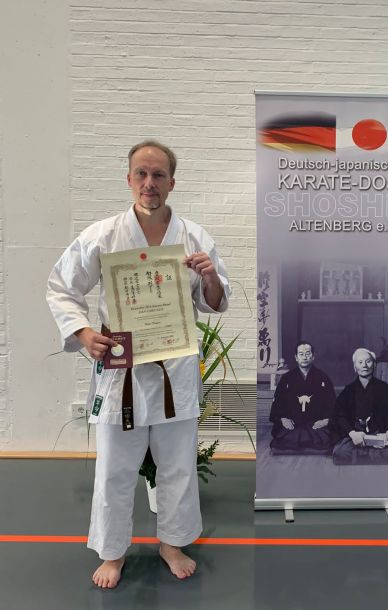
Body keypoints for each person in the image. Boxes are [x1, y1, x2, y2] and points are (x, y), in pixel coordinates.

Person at [47, 140, 230, 589]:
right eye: (142, 174)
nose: (150, 183)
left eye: (159, 175)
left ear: (172, 182)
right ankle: (112, 552)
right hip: (121, 369)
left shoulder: (194, 237)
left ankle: (173, 543)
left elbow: (214, 302)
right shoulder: (103, 235)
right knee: (114, 467)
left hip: (174, 369)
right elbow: (61, 287)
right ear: (129, 179)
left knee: (178, 465)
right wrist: (83, 333)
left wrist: (209, 276)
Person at [331, 347, 388, 465]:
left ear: (374, 365)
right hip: (357, 436)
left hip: (379, 434)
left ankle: (366, 455)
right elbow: (339, 416)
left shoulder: (385, 389)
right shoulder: (348, 390)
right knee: (341, 453)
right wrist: (352, 434)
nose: (364, 365)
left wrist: (387, 435)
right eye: (360, 362)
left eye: (368, 361)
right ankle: (370, 455)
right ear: (355, 367)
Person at [269, 342, 335, 454]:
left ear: (313, 356)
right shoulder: (287, 378)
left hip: (316, 423)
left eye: (308, 353)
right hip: (293, 423)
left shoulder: (323, 377)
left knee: (325, 437)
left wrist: (326, 420)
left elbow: (332, 403)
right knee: (285, 436)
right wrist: (283, 419)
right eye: (301, 354)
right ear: (296, 357)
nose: (304, 357)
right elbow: (278, 403)